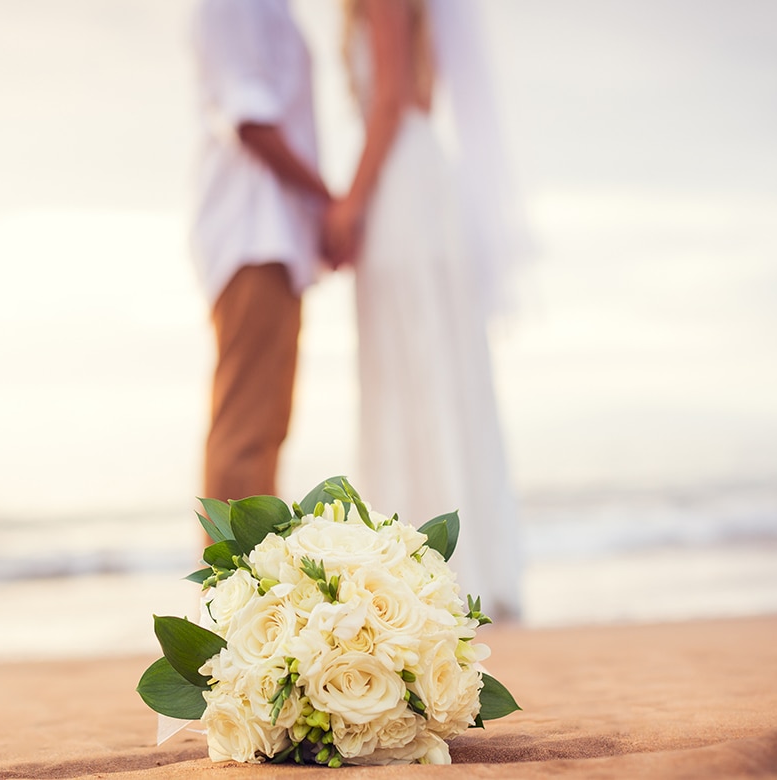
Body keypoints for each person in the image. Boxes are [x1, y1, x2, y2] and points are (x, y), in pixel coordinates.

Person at [324, 0, 525, 619]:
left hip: (401, 189)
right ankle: (463, 565)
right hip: (421, 179)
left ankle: (423, 575)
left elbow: (392, 99)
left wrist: (350, 203)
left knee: (407, 371)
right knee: (434, 368)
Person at [189, 0, 335, 509]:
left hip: (273, 233)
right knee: (246, 432)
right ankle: (228, 588)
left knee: (264, 428)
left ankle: (247, 585)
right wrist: (327, 204)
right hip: (253, 231)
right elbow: (248, 116)